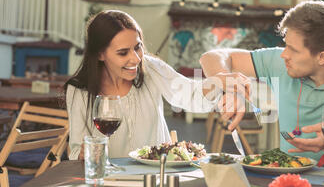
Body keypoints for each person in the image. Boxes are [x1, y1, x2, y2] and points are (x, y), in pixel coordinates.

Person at [200, 0, 324, 176]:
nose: (283, 55)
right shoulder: (281, 63)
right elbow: (213, 57)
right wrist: (227, 83)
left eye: (293, 50)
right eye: (285, 45)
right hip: (286, 180)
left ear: (322, 57)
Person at [65, 10, 246, 160]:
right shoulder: (79, 91)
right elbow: (74, 151)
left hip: (155, 177)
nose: (135, 58)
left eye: (138, 47)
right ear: (99, 54)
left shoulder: (151, 68)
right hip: (109, 182)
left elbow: (190, 96)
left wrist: (218, 81)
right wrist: (81, 154)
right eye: (122, 53)